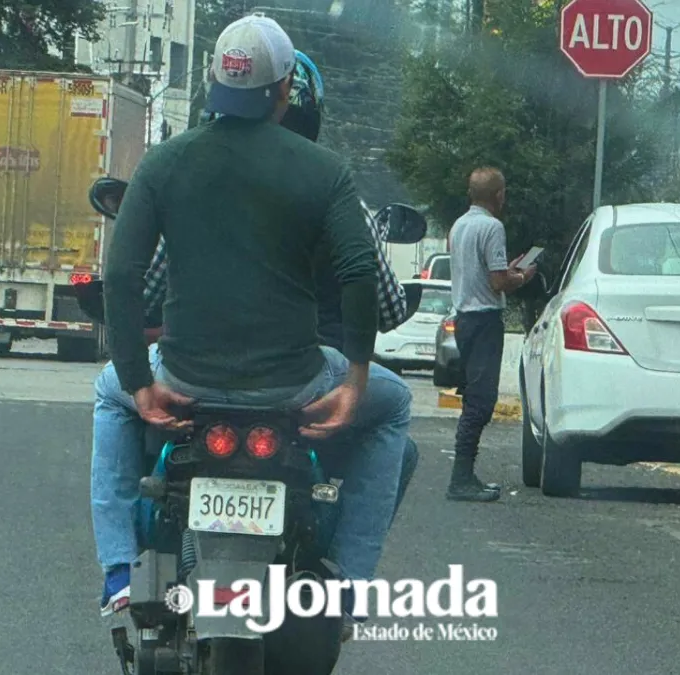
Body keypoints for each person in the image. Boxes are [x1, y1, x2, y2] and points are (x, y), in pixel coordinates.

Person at [93, 15, 412, 632]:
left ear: (213, 79)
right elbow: (359, 275)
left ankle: (117, 572)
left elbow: (122, 275)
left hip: (183, 378)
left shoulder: (164, 163)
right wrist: (355, 379)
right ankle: (347, 586)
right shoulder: (325, 172)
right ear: (284, 89)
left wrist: (139, 382)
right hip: (293, 386)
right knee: (394, 406)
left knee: (108, 396)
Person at [446, 167, 535, 502]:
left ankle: (465, 476)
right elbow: (498, 283)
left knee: (473, 398)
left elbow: (482, 273)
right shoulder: (492, 227)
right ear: (500, 195)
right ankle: (460, 479)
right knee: (481, 402)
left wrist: (505, 270)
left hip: (464, 319)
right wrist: (522, 276)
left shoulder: (459, 225)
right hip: (484, 321)